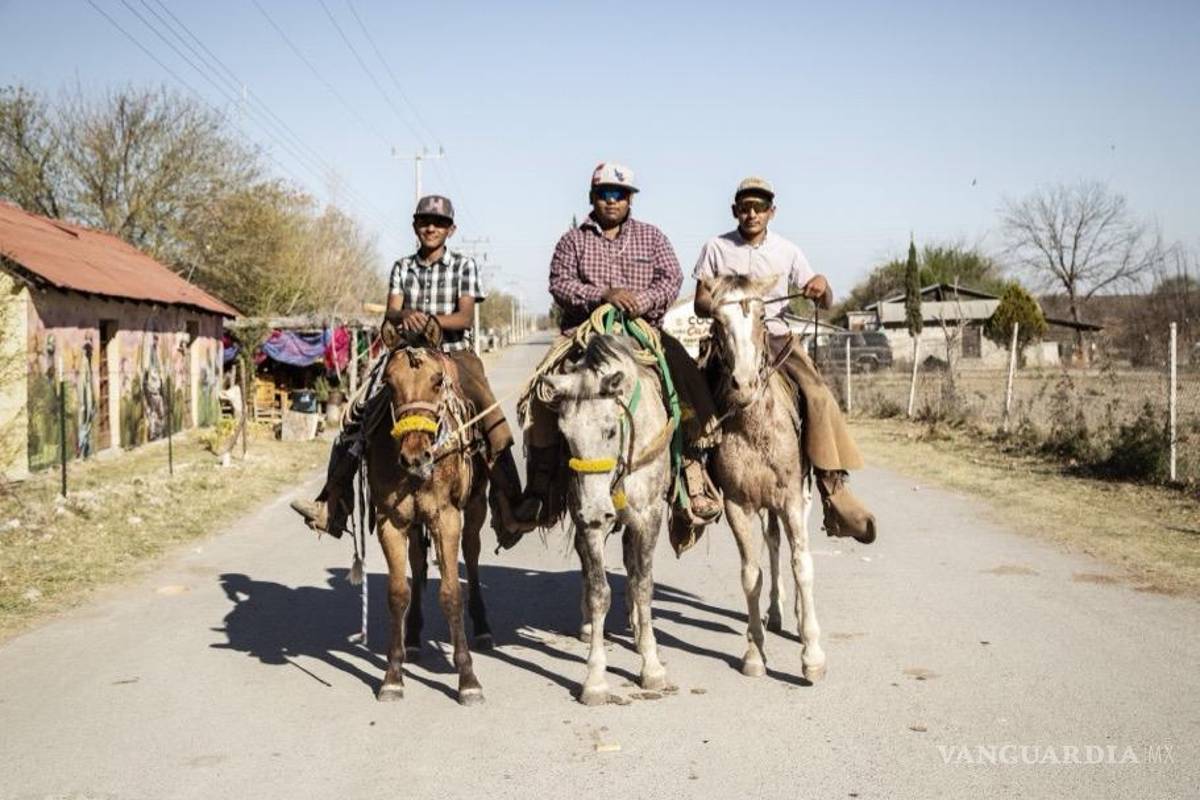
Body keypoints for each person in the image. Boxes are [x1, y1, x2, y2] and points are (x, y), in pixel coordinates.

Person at [290, 194, 529, 542]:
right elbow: (392, 311)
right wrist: (405, 316)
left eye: (440, 223)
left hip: (454, 352)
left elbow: (464, 317)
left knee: (490, 416)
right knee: (358, 413)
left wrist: (430, 319)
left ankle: (510, 508)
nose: (431, 228)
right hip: (407, 354)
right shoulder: (402, 266)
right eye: (424, 221)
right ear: (415, 226)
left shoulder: (464, 266)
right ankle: (333, 503)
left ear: (451, 229)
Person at [517, 162, 723, 544]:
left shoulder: (651, 237)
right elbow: (559, 283)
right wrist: (603, 296)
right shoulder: (572, 240)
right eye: (604, 193)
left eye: (620, 194)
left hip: (643, 331)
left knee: (686, 380)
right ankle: (542, 482)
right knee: (542, 391)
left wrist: (639, 302)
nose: (612, 201)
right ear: (592, 197)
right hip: (585, 332)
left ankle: (691, 470)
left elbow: (670, 279)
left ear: (630, 200)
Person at [693, 177, 877, 543]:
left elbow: (824, 299)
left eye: (759, 207)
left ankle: (832, 486)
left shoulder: (788, 251)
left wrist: (821, 285)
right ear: (735, 211)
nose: (752, 213)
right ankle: (691, 485)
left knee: (819, 396)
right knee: (690, 398)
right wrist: (727, 306)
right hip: (727, 338)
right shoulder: (716, 247)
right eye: (745, 206)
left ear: (771, 212)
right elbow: (700, 300)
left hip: (776, 339)